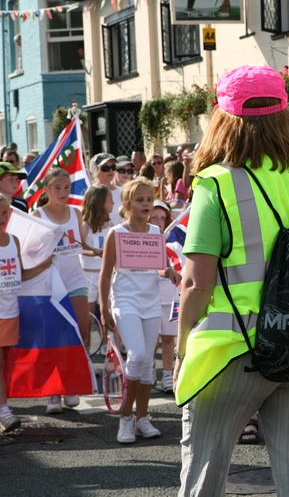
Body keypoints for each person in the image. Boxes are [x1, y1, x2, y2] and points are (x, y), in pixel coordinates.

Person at [174, 65, 289, 496]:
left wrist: (181, 350)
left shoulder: (216, 185)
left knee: (205, 472)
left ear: (223, 118)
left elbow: (197, 284)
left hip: (233, 349)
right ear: (287, 114)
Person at [100, 177, 178, 444]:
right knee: (138, 356)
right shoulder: (116, 233)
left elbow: (160, 266)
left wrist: (169, 272)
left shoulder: (156, 233)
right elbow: (105, 273)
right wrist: (103, 308)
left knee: (147, 364)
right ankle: (125, 418)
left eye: (150, 199)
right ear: (126, 204)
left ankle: (142, 418)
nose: (146, 204)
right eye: (140, 200)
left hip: (151, 302)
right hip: (126, 302)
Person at [0, 193, 52, 433]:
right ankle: (4, 411)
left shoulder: (14, 240)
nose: (0, 217)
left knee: (3, 362)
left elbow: (19, 275)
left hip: (10, 311)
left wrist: (43, 265)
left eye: (4, 213)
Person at [31, 168, 91, 414]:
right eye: (57, 187)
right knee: (53, 335)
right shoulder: (38, 215)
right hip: (49, 283)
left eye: (67, 187)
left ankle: (70, 384)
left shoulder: (76, 213)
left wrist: (102, 252)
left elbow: (80, 245)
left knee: (81, 330)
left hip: (75, 278)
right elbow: (30, 251)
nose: (63, 192)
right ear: (46, 189)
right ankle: (53, 392)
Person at [149, 200, 181, 394]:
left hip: (170, 296)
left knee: (169, 339)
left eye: (162, 218)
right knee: (152, 339)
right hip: (151, 296)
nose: (159, 221)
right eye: (154, 217)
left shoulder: (174, 240)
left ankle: (167, 374)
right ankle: (150, 369)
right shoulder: (143, 238)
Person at [80, 185, 113, 341]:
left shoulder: (111, 225)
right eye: (110, 200)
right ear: (100, 202)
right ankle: (87, 348)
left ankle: (106, 344)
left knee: (108, 312)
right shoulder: (85, 226)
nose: (113, 203)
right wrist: (94, 252)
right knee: (89, 317)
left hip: (106, 275)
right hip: (88, 275)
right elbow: (78, 248)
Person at [90, 153, 123, 225]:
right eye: (105, 168)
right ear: (95, 170)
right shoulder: (91, 193)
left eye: (113, 167)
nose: (111, 171)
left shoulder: (122, 192)